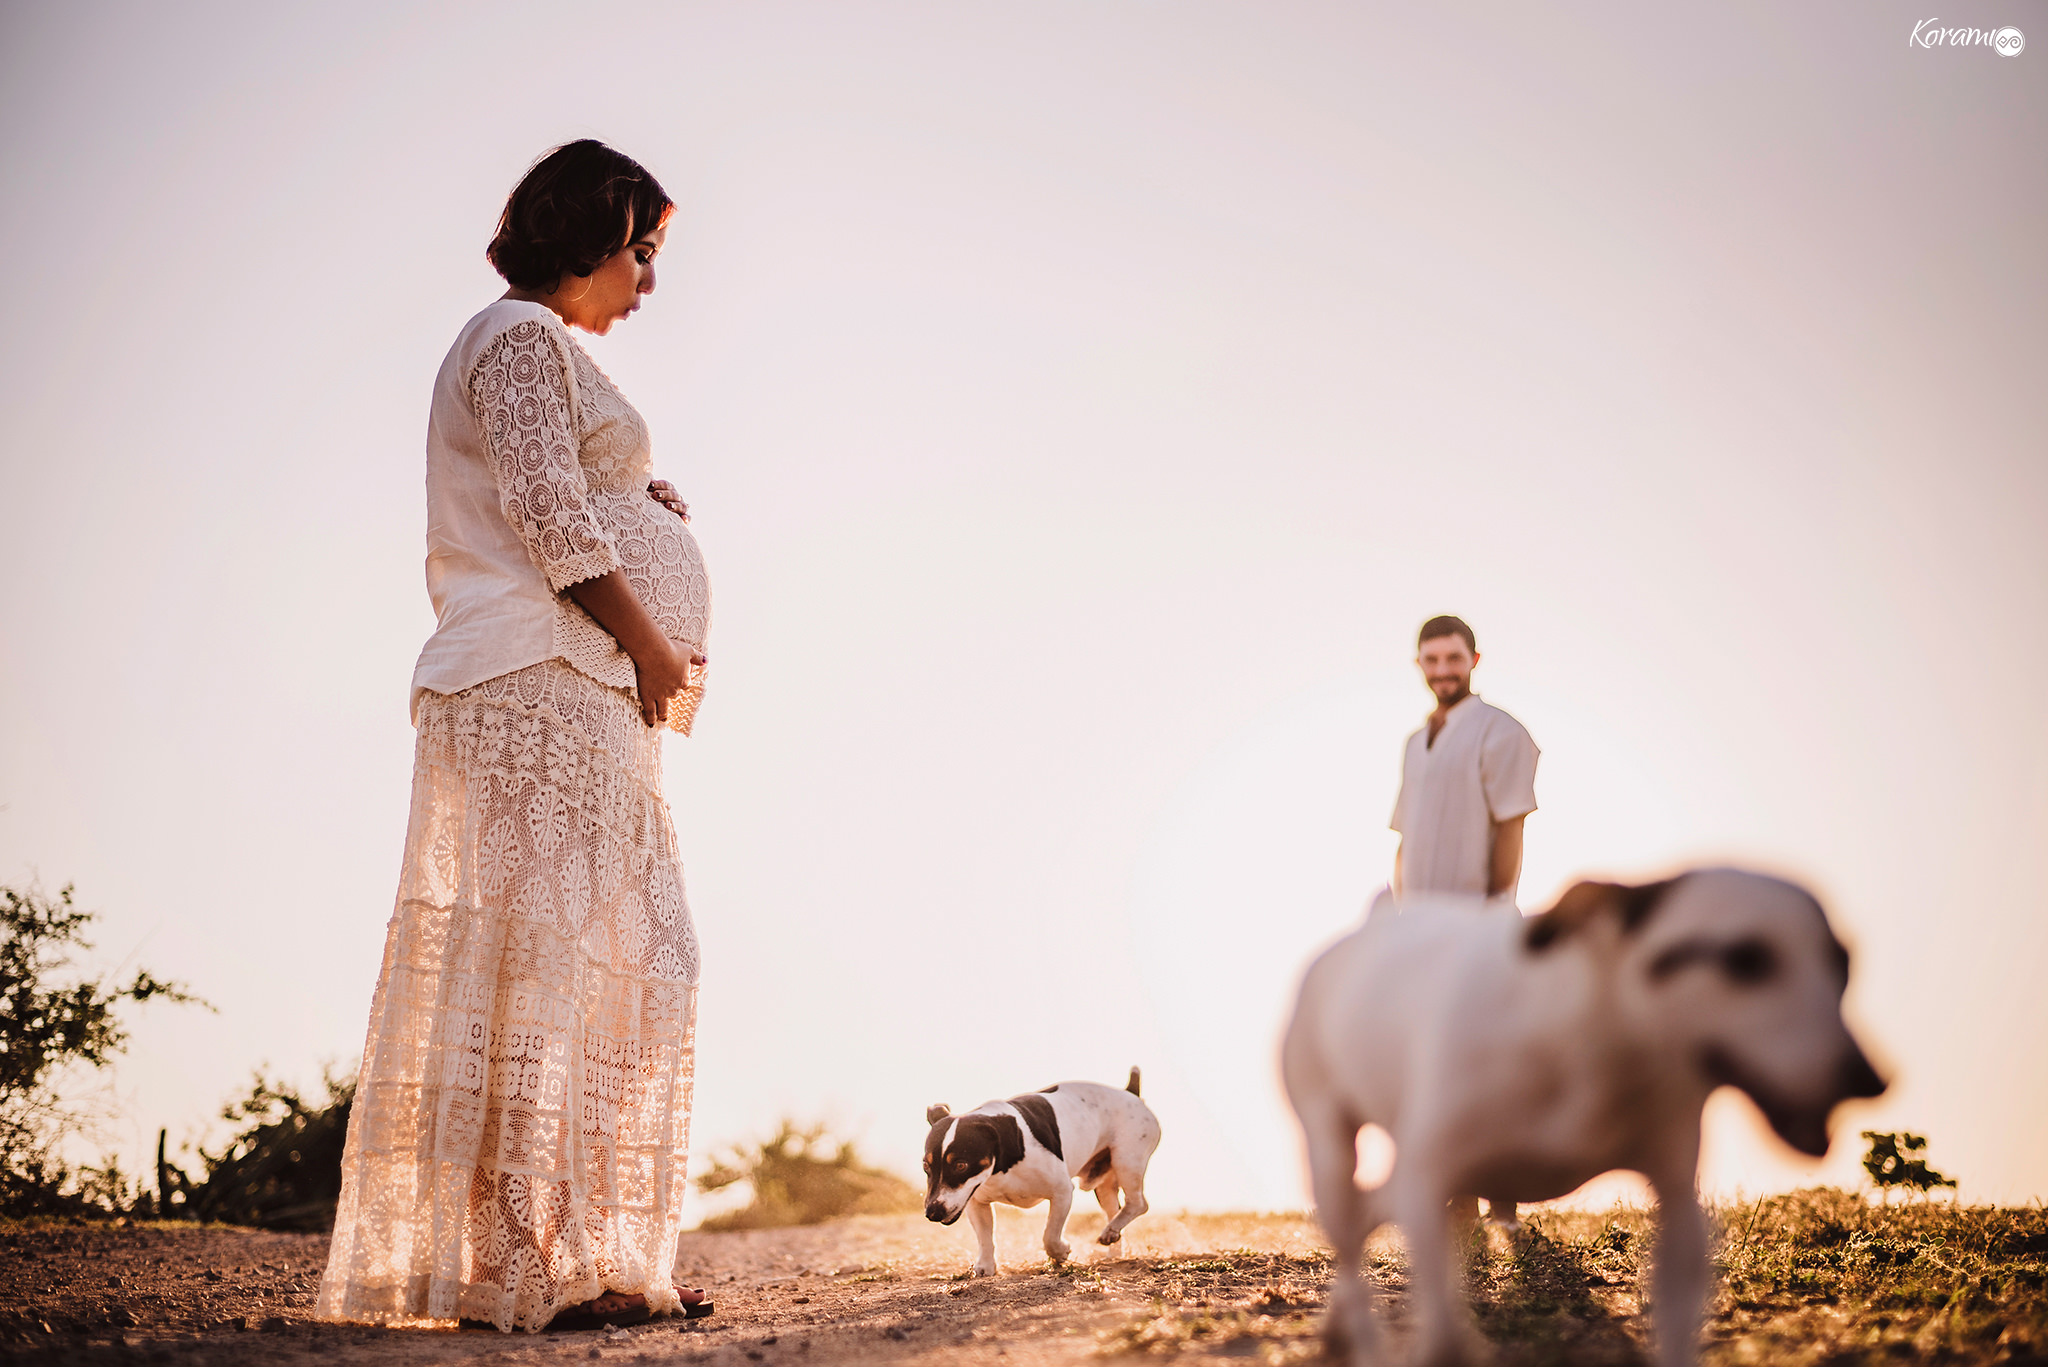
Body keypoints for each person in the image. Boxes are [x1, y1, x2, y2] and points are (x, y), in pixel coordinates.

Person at [317, 141, 714, 1333]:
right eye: (641, 252)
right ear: (590, 233)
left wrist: (643, 500)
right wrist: (650, 641)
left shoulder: (528, 352)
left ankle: (565, 1256)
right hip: (533, 677)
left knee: (580, 967)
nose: (648, 283)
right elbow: (545, 510)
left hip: (561, 684)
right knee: (554, 970)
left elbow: (555, 486)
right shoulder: (519, 337)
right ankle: (535, 1265)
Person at [1390, 615, 1539, 905]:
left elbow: (1511, 825)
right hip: (1412, 922)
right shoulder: (1414, 743)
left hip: (1472, 922)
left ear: (1474, 659)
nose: (1442, 670)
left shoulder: (1501, 732)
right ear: (1418, 664)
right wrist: (1396, 910)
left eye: (1454, 658)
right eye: (1431, 659)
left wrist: (1493, 909)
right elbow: (1406, 835)